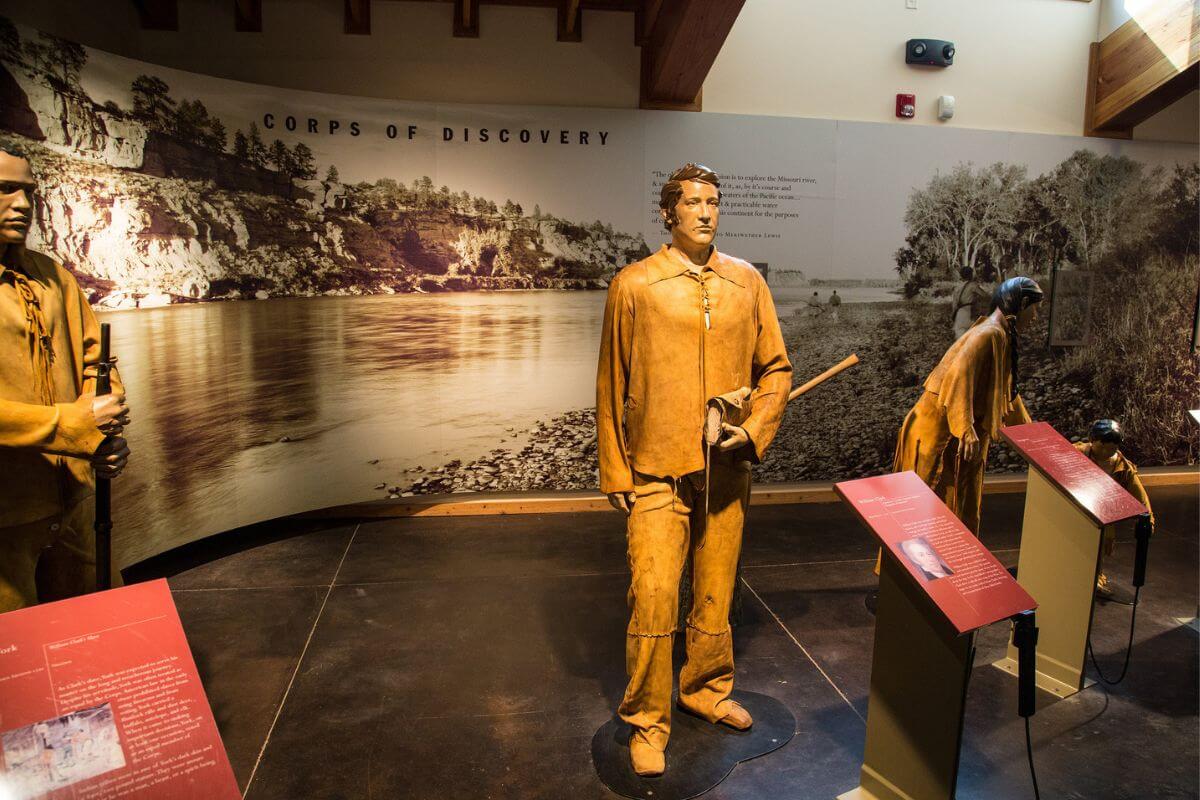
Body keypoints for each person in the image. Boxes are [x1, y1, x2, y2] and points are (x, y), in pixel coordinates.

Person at [596, 163, 792, 777]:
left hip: (726, 472)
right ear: (668, 213)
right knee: (653, 598)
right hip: (656, 471)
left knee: (715, 591)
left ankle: (704, 689)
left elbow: (776, 371)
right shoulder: (635, 284)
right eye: (693, 203)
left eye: (713, 201)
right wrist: (616, 473)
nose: (705, 212)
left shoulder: (746, 282)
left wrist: (754, 430)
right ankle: (647, 720)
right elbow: (610, 384)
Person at [0, 143, 131, 611]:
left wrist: (104, 430)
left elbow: (99, 365)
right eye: (4, 190)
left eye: (28, 192)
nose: (22, 205)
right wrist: (71, 428)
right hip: (6, 519)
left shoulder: (53, 278)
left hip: (71, 506)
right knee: (14, 669)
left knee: (104, 637)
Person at [1075, 419, 1154, 604]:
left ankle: (1096, 577)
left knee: (1100, 546)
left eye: (1110, 448)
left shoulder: (1122, 467)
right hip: (1078, 508)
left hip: (1104, 512)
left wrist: (1148, 519)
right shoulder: (1076, 454)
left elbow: (1139, 494)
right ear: (1092, 441)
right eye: (1101, 447)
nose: (1105, 452)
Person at [950, 266, 991, 340]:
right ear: (970, 275)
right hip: (969, 313)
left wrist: (953, 318)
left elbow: (954, 306)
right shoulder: (973, 285)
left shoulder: (957, 287)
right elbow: (985, 295)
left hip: (959, 315)